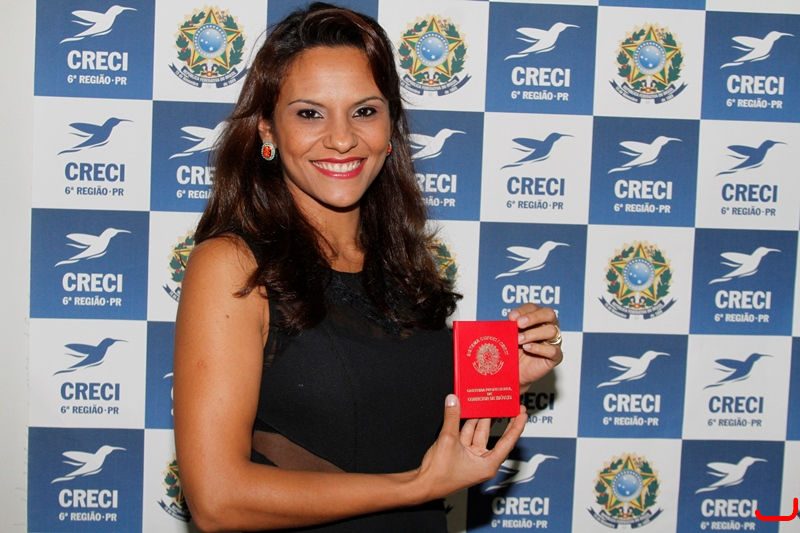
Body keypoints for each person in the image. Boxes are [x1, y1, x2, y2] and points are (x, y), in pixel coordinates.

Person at [173, 3, 563, 532]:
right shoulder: (233, 265)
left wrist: (496, 377)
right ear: (267, 130)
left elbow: (384, 428)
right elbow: (218, 501)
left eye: (364, 111)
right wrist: (416, 487)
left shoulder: (399, 261)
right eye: (309, 113)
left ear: (390, 127)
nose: (341, 138)